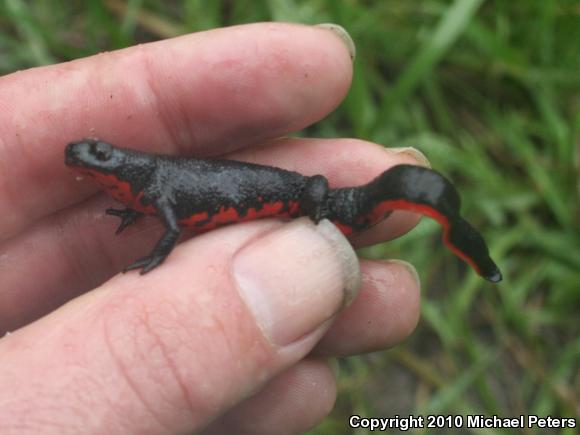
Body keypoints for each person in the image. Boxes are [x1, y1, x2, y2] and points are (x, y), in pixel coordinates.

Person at [0, 23, 425, 434]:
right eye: (85, 158)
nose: (88, 159)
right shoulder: (137, 186)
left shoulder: (147, 180)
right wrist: (134, 212)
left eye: (98, 153)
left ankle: (381, 197)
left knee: (335, 205)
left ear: (116, 160)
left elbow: (171, 224)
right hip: (261, 194)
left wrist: (158, 257)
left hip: (293, 196)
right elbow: (154, 207)